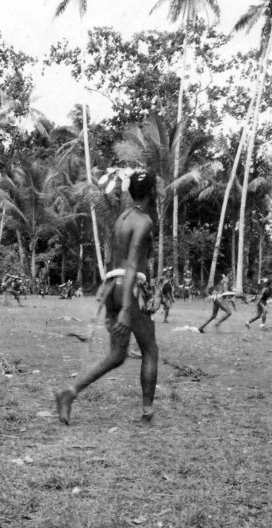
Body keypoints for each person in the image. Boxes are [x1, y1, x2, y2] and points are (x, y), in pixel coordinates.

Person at [55, 170, 159, 426]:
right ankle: (147, 413)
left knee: (117, 354)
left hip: (112, 285)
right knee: (150, 350)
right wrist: (127, 308)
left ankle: (69, 392)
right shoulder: (143, 221)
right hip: (129, 290)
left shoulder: (123, 217)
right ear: (151, 192)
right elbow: (132, 262)